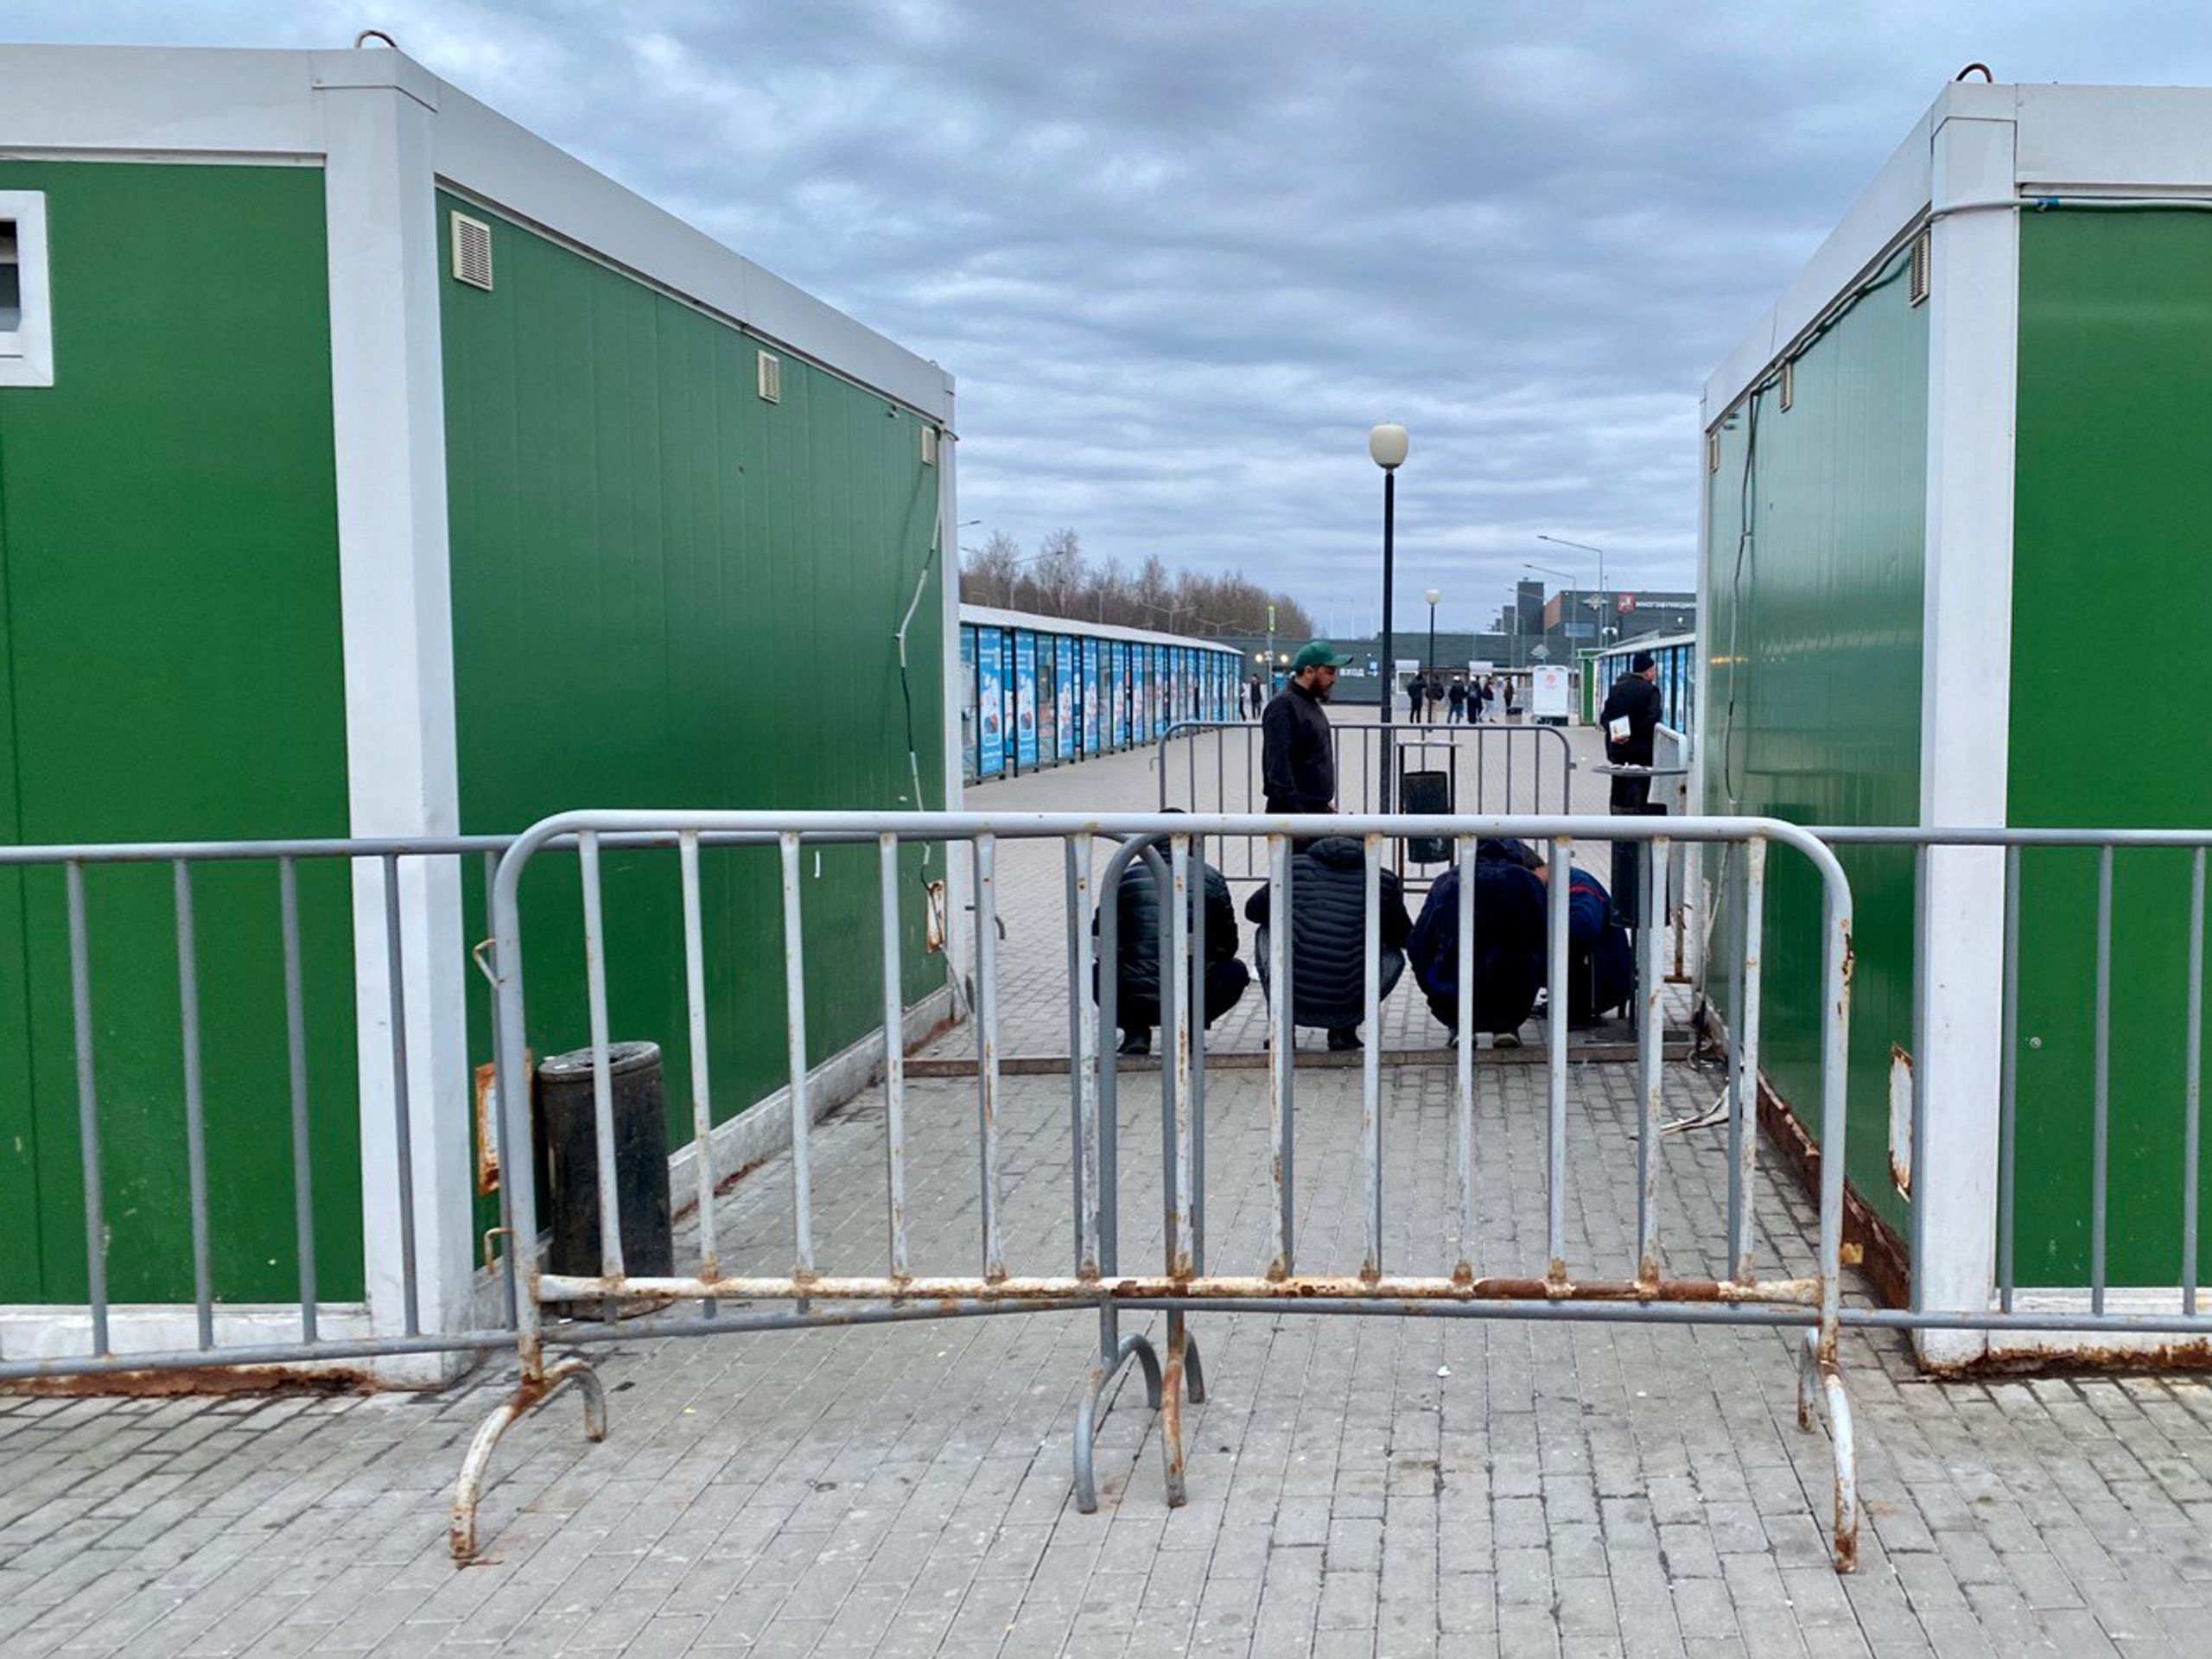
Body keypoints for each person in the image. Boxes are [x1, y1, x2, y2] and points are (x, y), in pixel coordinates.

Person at [1244, 836, 1411, 1051]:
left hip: (1292, 996)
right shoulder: (1383, 880)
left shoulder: (1293, 867)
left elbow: (1252, 912)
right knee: (1392, 955)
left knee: (1267, 931)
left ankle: (1282, 1027)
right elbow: (1404, 936)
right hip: (1348, 1000)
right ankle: (1344, 1031)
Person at [1095, 830, 1249, 1056]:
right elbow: (1228, 943)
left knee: (1097, 972)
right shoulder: (1209, 876)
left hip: (1133, 995)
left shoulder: (1123, 876)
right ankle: (1190, 1028)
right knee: (1235, 971)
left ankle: (1136, 1031)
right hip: (1193, 991)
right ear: (1190, 843)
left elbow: (1099, 935)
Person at [1408, 838, 1548, 1045]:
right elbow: (1544, 935)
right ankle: (1506, 1027)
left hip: (1453, 987)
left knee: (1447, 968)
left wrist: (1429, 979)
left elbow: (1420, 941)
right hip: (1514, 989)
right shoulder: (1528, 882)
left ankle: (1460, 1026)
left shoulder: (1447, 881)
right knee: (1518, 963)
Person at [1262, 641, 1348, 816]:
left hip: (1311, 808)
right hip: (1296, 812)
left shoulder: (1307, 703)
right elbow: (1278, 765)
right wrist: (1296, 814)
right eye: (1329, 671)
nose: (1334, 679)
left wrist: (1323, 800)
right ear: (1309, 672)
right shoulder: (1284, 706)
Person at [1564, 865, 1635, 1027]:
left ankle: (1577, 1011)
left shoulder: (1577, 885)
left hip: (1605, 980)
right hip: (1603, 975)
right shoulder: (1568, 881)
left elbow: (1584, 927)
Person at [1600, 649, 1665, 812]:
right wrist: (1632, 734)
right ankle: (1636, 824)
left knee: (1618, 787)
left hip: (1618, 749)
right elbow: (1651, 719)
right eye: (1653, 670)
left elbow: (1605, 717)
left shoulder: (1616, 689)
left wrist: (1619, 734)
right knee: (1640, 787)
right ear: (1648, 671)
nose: (1655, 673)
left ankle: (1617, 825)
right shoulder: (1651, 691)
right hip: (1641, 750)